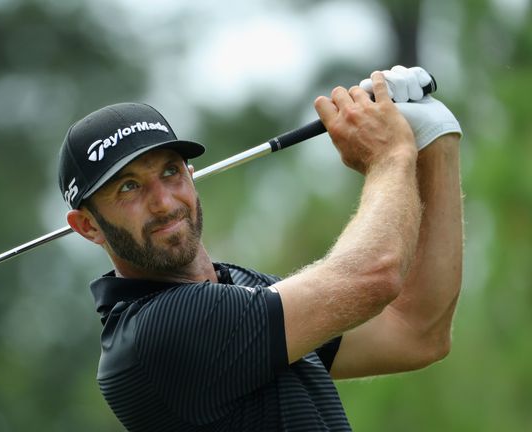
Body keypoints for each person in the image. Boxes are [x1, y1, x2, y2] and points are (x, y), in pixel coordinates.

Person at [57, 66, 463, 431]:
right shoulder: (155, 334)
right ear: (87, 225)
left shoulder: (240, 287)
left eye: (170, 171)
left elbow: (416, 331)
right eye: (129, 187)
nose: (163, 202)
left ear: (191, 176)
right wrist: (390, 156)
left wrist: (435, 140)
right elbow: (373, 276)